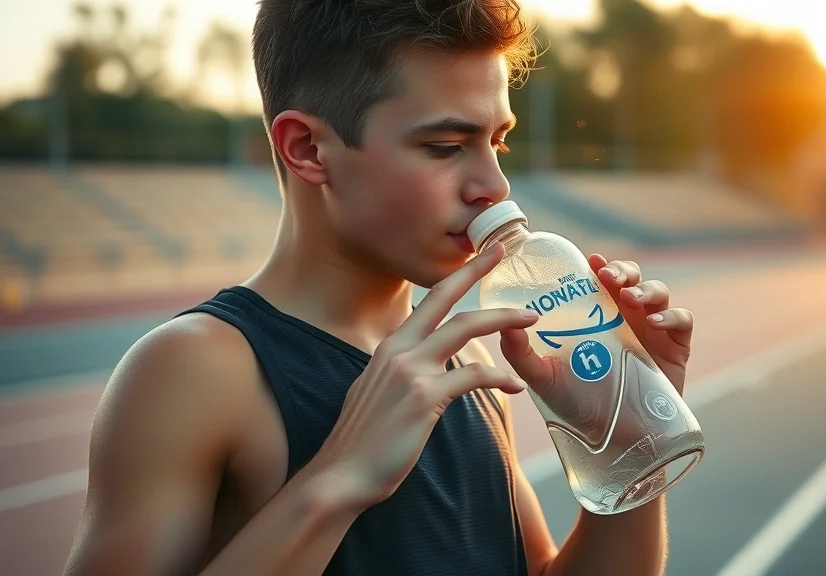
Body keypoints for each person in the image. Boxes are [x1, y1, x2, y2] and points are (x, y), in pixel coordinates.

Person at [62, 1, 696, 574]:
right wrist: (340, 478)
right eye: (445, 146)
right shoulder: (194, 370)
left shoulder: (462, 359)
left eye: (498, 142)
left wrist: (628, 438)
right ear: (308, 149)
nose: (495, 186)